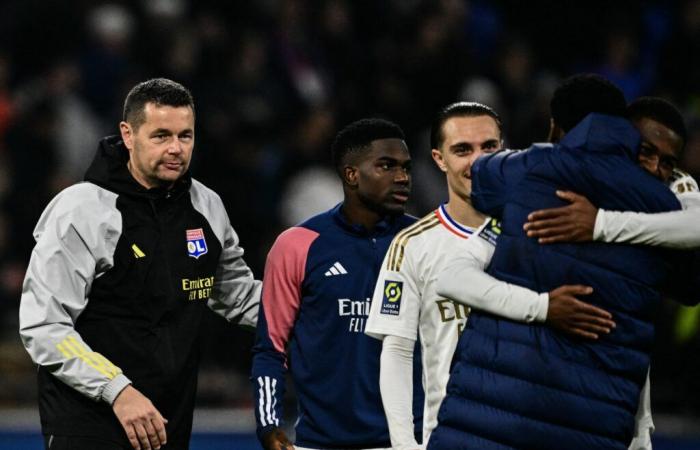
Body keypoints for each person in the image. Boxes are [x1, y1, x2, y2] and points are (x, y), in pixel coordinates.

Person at [428, 74, 699, 450]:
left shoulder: (529, 173)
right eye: (648, 154)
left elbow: (480, 179)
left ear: (556, 127)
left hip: (487, 421)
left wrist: (600, 222)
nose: (655, 169)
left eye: (667, 163)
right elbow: (691, 281)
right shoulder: (665, 209)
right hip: (593, 426)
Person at [19, 78, 261, 450]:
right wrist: (117, 390)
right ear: (128, 134)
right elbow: (44, 326)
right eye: (161, 136)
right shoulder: (82, 210)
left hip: (168, 423)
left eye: (186, 136)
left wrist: (318, 311)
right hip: (90, 424)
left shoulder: (207, 206)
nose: (176, 149)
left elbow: (239, 297)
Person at [363, 102, 616, 450]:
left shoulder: (546, 227)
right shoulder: (413, 245)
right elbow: (397, 351)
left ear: (506, 150)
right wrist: (405, 445)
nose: (478, 160)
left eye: (489, 147)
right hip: (453, 435)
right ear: (439, 159)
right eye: (462, 150)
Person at [251, 118, 422, 450]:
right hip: (320, 443)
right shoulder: (297, 245)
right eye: (386, 166)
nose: (402, 177)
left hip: (410, 442)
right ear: (351, 174)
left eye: (406, 167)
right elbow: (270, 349)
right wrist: (268, 426)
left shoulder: (425, 241)